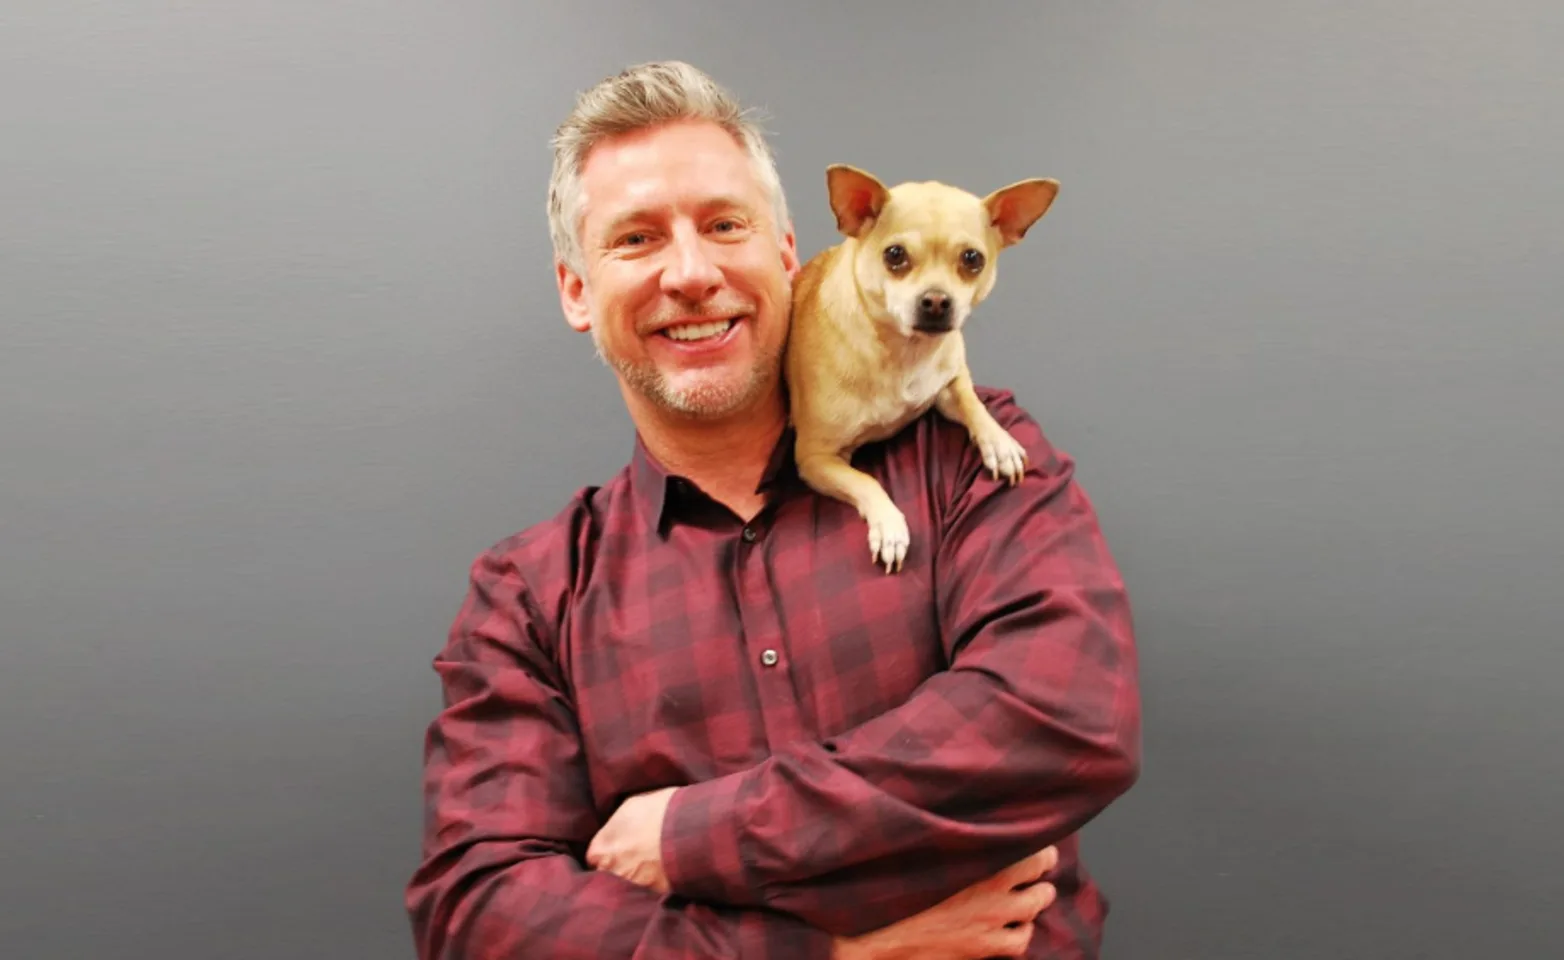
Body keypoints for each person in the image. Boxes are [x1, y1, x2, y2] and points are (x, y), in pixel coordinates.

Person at [404, 60, 1142, 959]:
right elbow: (481, 915)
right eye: (635, 240)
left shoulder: (973, 467)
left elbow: (1062, 722)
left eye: (725, 225)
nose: (690, 273)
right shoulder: (529, 598)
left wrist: (688, 840)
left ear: (789, 253)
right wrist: (830, 955)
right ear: (575, 291)